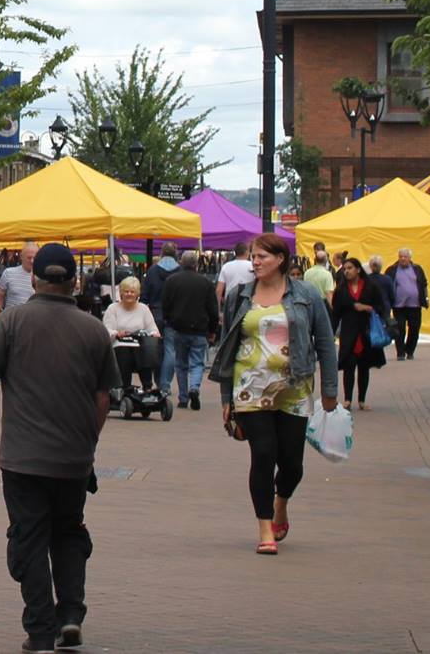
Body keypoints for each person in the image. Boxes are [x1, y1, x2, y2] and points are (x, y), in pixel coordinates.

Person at [0, 242, 118, 653]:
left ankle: (40, 627)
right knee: (68, 533)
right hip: (73, 457)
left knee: (29, 538)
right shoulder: (93, 329)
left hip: (22, 458)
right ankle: (70, 615)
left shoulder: (11, 322)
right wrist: (91, 438)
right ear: (74, 281)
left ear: (33, 279)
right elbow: (104, 397)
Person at [211, 233, 337, 556]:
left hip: (293, 386)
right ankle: (265, 528)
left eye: (261, 257)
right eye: (253, 257)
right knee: (263, 453)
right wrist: (227, 397)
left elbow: (324, 341)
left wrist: (330, 391)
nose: (254, 262)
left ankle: (281, 502)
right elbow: (228, 345)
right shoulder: (240, 295)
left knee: (292, 463)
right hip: (250, 386)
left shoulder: (306, 295)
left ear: (280, 259)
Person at [158, 251, 219, 410]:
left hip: (178, 327)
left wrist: (168, 320)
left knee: (181, 363)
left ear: (181, 262)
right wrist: (213, 329)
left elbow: (165, 303)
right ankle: (195, 387)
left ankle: (183, 397)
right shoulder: (205, 282)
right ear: (196, 264)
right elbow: (213, 308)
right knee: (197, 362)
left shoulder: (172, 281)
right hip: (199, 328)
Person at [330, 256, 390, 411]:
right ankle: (348, 400)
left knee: (364, 366)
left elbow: (381, 306)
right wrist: (330, 332)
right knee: (349, 366)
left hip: (366, 331)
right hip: (349, 332)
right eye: (345, 269)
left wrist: (367, 308)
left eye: (350, 268)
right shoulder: (341, 289)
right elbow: (335, 313)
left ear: (358, 269)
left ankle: (362, 400)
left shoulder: (371, 287)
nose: (347, 271)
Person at [101, 276, 161, 392]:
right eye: (126, 291)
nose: (129, 294)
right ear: (121, 293)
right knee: (124, 353)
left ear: (137, 294)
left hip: (139, 344)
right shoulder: (113, 309)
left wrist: (154, 334)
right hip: (120, 344)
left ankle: (148, 386)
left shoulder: (143, 309)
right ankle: (124, 387)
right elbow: (106, 329)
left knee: (146, 351)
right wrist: (117, 333)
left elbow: (152, 328)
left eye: (132, 292)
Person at [386, 247, 429, 360]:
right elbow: (387, 285)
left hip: (415, 305)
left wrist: (426, 298)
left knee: (414, 328)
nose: (403, 259)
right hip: (398, 305)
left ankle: (410, 350)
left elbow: (424, 284)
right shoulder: (392, 269)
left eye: (405, 257)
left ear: (410, 258)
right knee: (400, 329)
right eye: (401, 257)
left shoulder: (417, 269)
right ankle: (400, 352)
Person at [0, 242, 39, 318]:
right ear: (21, 256)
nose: (32, 261)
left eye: (35, 258)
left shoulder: (42, 278)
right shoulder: (9, 273)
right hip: (11, 322)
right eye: (29, 258)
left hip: (33, 322)